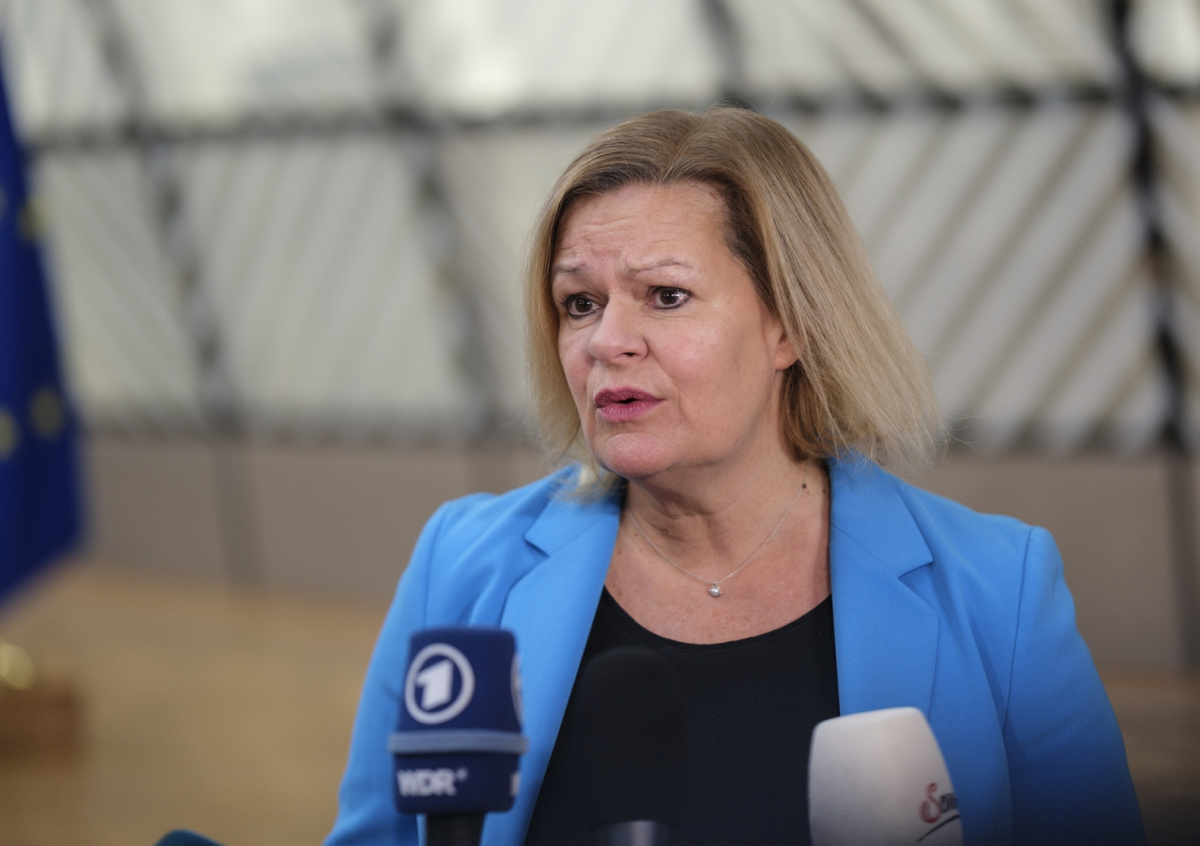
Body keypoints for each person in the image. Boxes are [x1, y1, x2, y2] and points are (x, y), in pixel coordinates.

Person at [325, 107, 1144, 846]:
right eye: (580, 303)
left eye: (665, 296)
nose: (607, 340)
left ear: (790, 324)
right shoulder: (463, 564)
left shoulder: (999, 591)